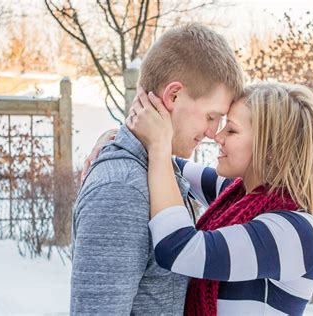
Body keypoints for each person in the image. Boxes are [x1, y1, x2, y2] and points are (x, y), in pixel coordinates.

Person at [91, 82, 313, 315]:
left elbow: (178, 249)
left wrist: (158, 146)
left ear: (270, 149)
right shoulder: (235, 197)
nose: (217, 135)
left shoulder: (295, 233)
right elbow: (171, 169)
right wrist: (116, 139)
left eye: (232, 130)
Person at [71, 23, 244, 315]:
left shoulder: (158, 168)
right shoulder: (122, 189)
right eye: (211, 116)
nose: (214, 132)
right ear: (173, 96)